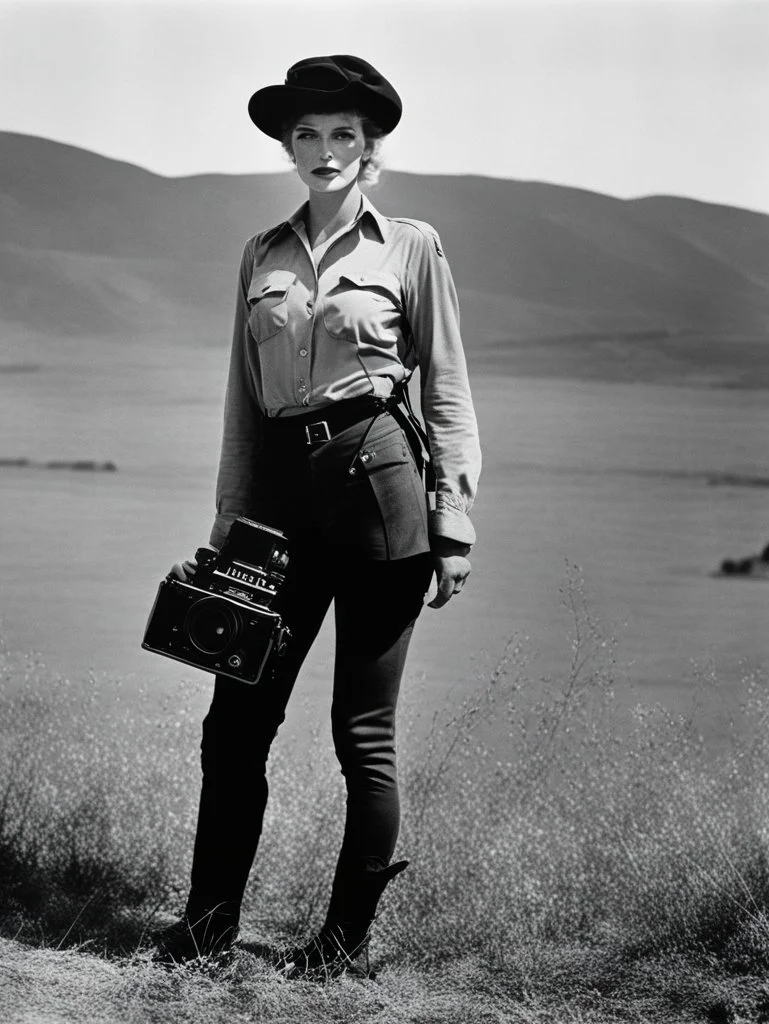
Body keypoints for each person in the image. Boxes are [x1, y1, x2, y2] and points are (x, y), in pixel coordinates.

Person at [154, 55, 481, 975]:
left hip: (383, 496)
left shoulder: (412, 246)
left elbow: (448, 388)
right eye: (307, 135)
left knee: (360, 733)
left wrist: (453, 524)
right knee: (234, 725)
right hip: (281, 515)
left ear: (370, 149)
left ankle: (340, 949)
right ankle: (206, 929)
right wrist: (230, 516)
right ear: (289, 146)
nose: (325, 150)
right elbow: (242, 400)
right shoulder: (261, 255)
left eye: (344, 135)